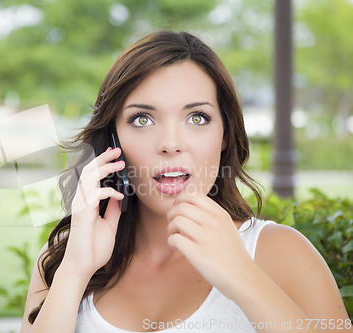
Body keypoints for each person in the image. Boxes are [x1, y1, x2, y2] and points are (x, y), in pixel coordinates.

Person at [20, 31, 351, 333]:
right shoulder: (64, 256)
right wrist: (75, 270)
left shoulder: (282, 253)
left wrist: (240, 273)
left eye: (197, 118)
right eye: (142, 119)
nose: (170, 143)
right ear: (113, 138)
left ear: (224, 134)